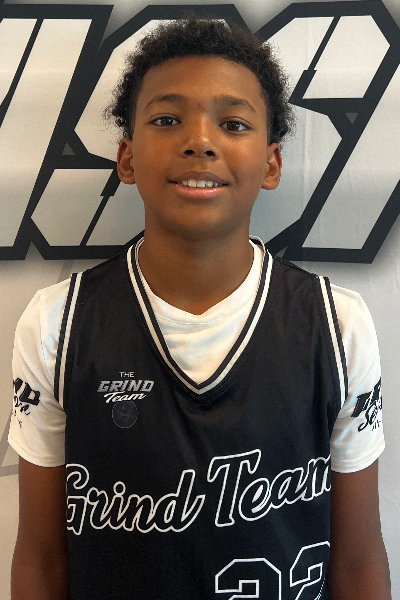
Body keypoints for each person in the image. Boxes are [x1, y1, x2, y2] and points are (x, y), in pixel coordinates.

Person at [9, 16, 391, 600]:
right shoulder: (57, 324)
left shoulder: (337, 327)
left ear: (271, 164)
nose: (200, 141)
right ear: (127, 158)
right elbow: (39, 559)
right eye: (168, 119)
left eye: (233, 124)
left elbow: (359, 561)